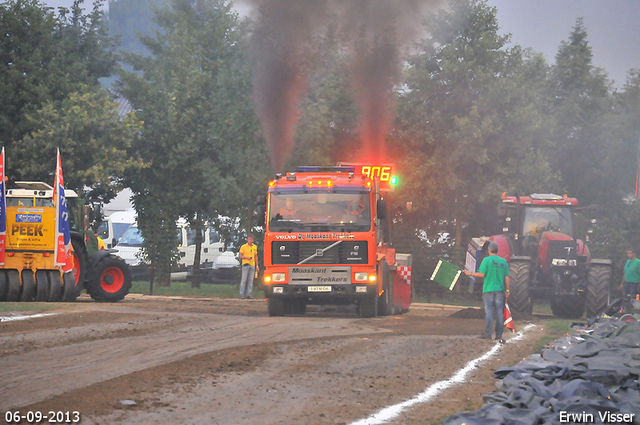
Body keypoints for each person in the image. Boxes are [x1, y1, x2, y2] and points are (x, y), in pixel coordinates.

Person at [464, 241, 510, 343]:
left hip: (488, 290)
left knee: (489, 311)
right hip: (500, 290)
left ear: (489, 250)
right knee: (499, 312)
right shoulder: (503, 262)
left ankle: (488, 334)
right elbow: (507, 277)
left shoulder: (486, 260)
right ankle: (499, 335)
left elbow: (481, 274)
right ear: (497, 251)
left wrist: (470, 273)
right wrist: (507, 290)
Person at [238, 233, 258, 299]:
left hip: (252, 265)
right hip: (246, 265)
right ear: (247, 239)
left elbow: (255, 256)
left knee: (250, 281)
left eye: (251, 239)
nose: (250, 240)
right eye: (249, 239)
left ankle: (249, 294)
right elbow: (240, 255)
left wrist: (257, 265)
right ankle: (242, 294)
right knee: (243, 280)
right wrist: (247, 258)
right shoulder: (243, 247)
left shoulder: (255, 247)